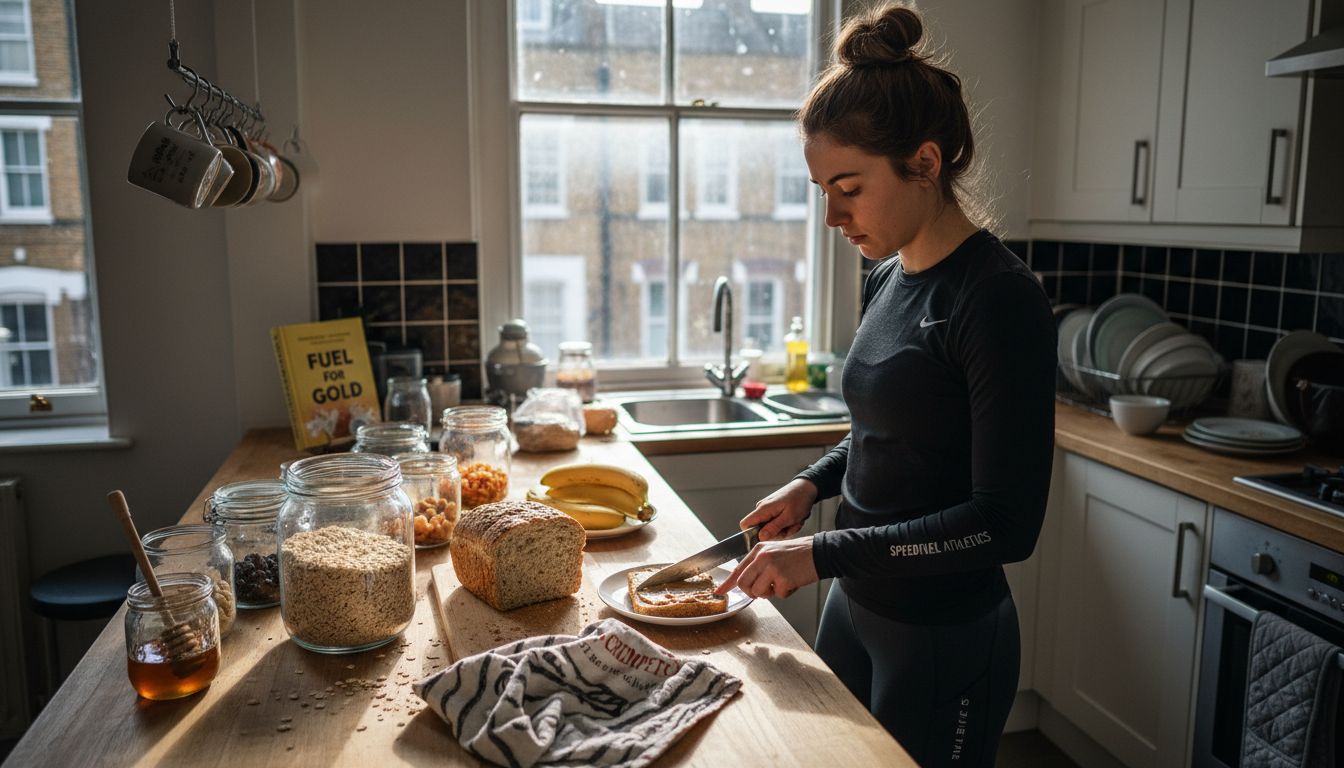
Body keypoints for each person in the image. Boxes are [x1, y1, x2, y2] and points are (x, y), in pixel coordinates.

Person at [714, 4, 1057, 766]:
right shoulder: (886, 275)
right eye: (821, 190)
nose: (834, 214)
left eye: (849, 187)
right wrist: (810, 485)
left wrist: (822, 553)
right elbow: (886, 429)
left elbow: (1006, 524)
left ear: (926, 164)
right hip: (854, 609)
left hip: (945, 635)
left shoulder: (999, 298)